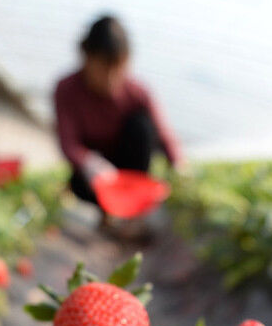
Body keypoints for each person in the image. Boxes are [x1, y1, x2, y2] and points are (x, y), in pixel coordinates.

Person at [54, 15, 182, 209]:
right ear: (86, 57)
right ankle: (107, 212)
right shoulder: (67, 90)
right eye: (103, 69)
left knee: (142, 127)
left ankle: (133, 207)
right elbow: (68, 143)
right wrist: (89, 162)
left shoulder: (137, 93)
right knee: (79, 186)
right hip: (95, 177)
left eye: (118, 69)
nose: (111, 79)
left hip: (129, 173)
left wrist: (179, 165)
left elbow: (163, 133)